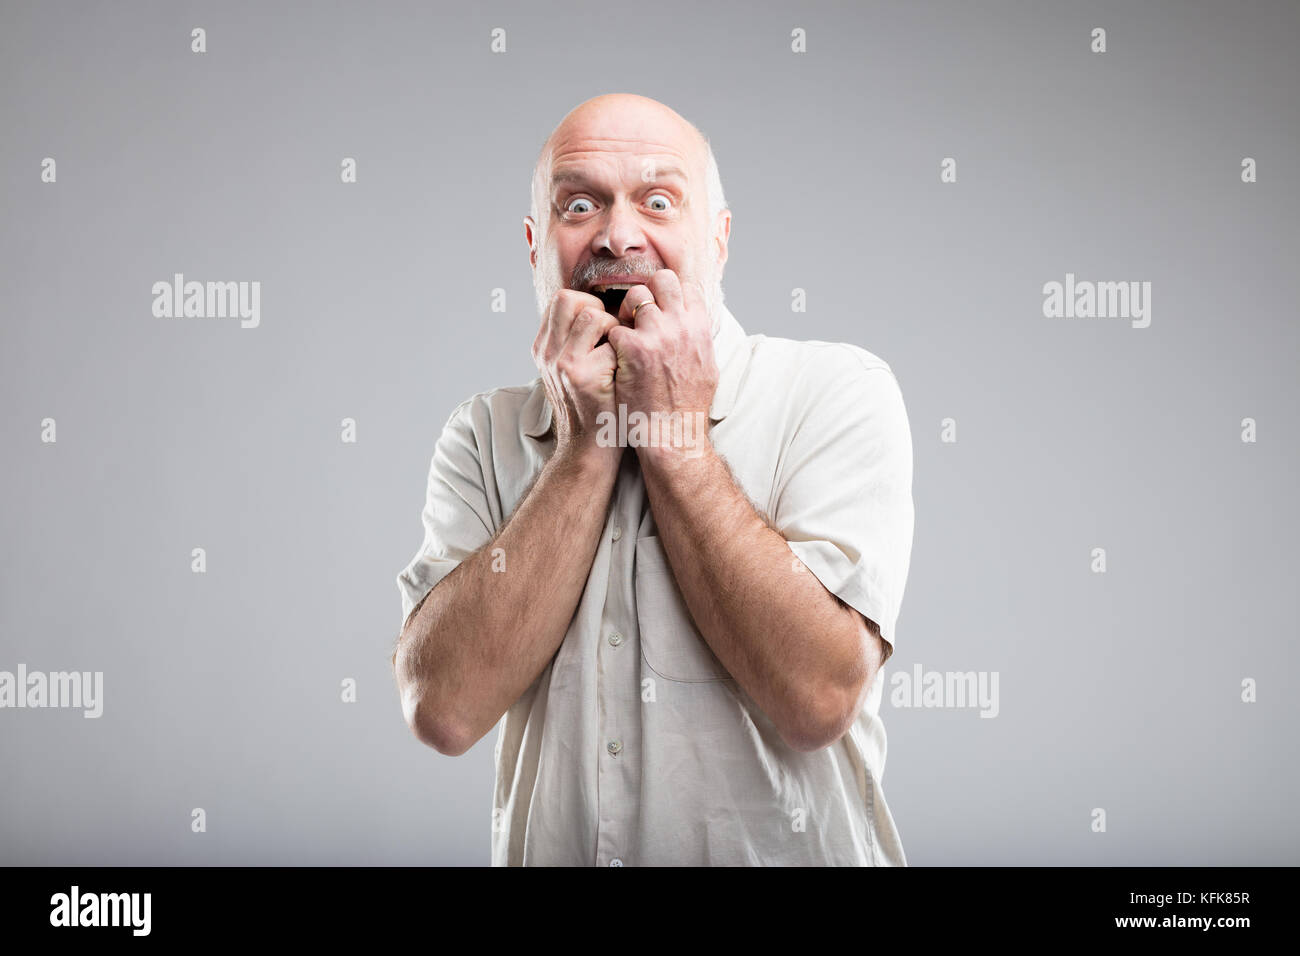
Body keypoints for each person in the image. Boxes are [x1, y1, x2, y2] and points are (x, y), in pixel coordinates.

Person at [393, 93, 915, 866]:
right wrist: (583, 446)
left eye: (659, 201)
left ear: (720, 238)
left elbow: (818, 698)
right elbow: (444, 711)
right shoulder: (482, 434)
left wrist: (675, 437)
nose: (618, 234)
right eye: (579, 205)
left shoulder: (836, 392)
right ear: (537, 249)